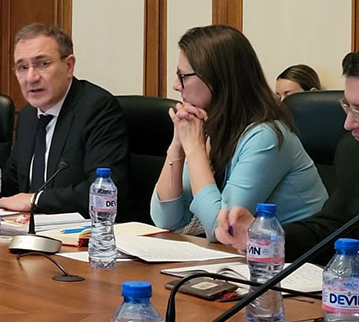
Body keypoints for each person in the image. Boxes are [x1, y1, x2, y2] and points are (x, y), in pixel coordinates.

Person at [151, 25, 327, 240]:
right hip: (244, 254)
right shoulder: (210, 126)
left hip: (293, 256)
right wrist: (177, 145)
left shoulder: (265, 136)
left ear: (216, 78)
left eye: (183, 76)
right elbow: (167, 220)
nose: (175, 86)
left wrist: (195, 150)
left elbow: (222, 230)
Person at [0, 22, 129, 216]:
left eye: (43, 64)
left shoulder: (97, 108)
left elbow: (103, 190)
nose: (31, 77)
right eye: (22, 67)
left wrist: (35, 200)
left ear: (68, 66)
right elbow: (12, 188)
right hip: (29, 229)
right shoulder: (28, 116)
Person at [217, 52, 359, 263]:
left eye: (358, 110)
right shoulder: (352, 151)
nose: (347, 123)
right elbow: (329, 229)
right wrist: (264, 238)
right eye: (347, 107)